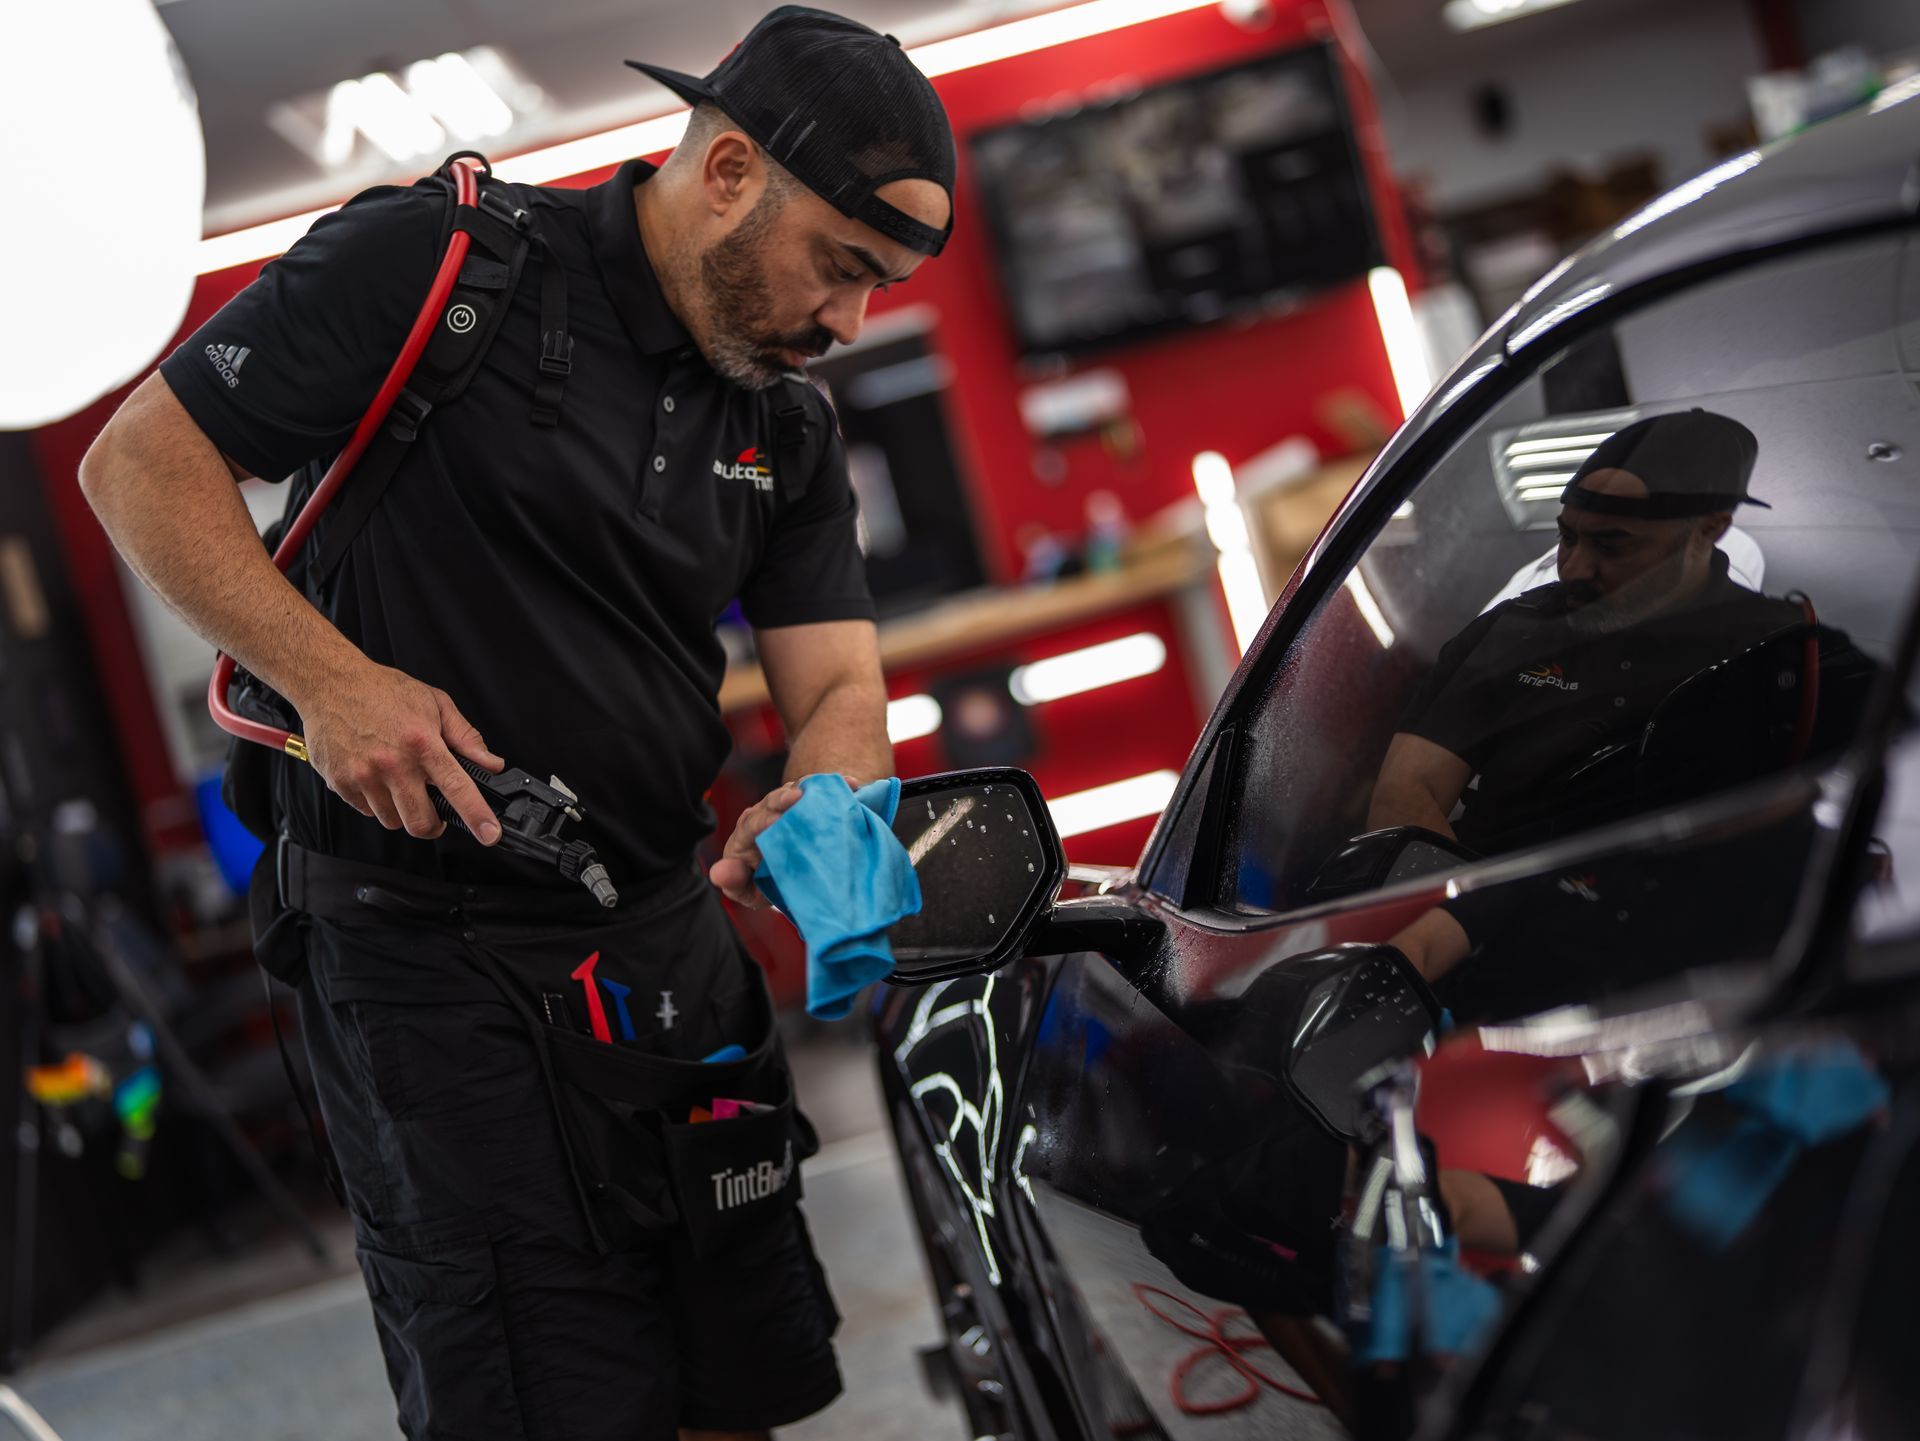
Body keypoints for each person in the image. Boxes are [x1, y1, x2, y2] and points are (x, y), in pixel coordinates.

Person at [78, 9, 954, 1439]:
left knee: (738, 1382)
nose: (850, 323)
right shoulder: (438, 269)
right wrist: (333, 681)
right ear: (729, 171)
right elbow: (140, 465)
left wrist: (833, 791)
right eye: (844, 268)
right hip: (432, 973)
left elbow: (840, 689)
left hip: (668, 950)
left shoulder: (784, 427)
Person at [1368, 410, 1813, 857]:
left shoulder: (1780, 650)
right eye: (1567, 538)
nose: (1574, 569)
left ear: (1707, 531)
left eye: (1612, 543)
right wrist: (1473, 915)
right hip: (1484, 900)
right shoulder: (1514, 630)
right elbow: (1403, 796)